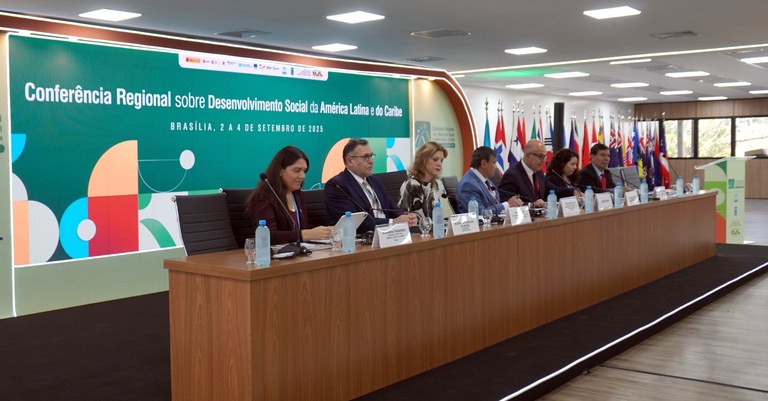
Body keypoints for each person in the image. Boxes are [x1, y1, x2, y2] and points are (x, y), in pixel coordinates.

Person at [324, 138, 417, 233]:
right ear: (350, 161)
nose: (371, 161)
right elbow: (354, 223)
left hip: (388, 235)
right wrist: (392, 222)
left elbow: (391, 208)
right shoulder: (337, 186)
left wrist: (407, 217)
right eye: (365, 157)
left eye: (371, 156)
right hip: (358, 241)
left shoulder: (374, 180)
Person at [246, 146, 332, 245]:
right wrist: (305, 234)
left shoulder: (298, 194)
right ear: (280, 170)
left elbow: (302, 229)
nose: (302, 176)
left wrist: (324, 233)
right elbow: (268, 236)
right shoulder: (264, 197)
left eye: (304, 171)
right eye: (297, 170)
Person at [498, 140, 578, 208]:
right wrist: (531, 205)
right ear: (528, 155)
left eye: (545, 157)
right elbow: (506, 203)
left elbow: (551, 189)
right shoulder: (512, 175)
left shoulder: (538, 172)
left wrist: (572, 192)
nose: (544, 161)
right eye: (540, 157)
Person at [456, 146, 523, 215]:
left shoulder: (485, 179)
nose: (496, 167)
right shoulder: (468, 184)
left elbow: (495, 203)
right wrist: (507, 204)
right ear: (484, 164)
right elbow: (480, 213)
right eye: (494, 163)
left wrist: (511, 204)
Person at [397, 141, 454, 222]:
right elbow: (403, 219)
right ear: (423, 160)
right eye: (435, 159)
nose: (439, 164)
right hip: (415, 232)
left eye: (441, 160)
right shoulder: (411, 185)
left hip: (433, 230)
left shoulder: (435, 184)